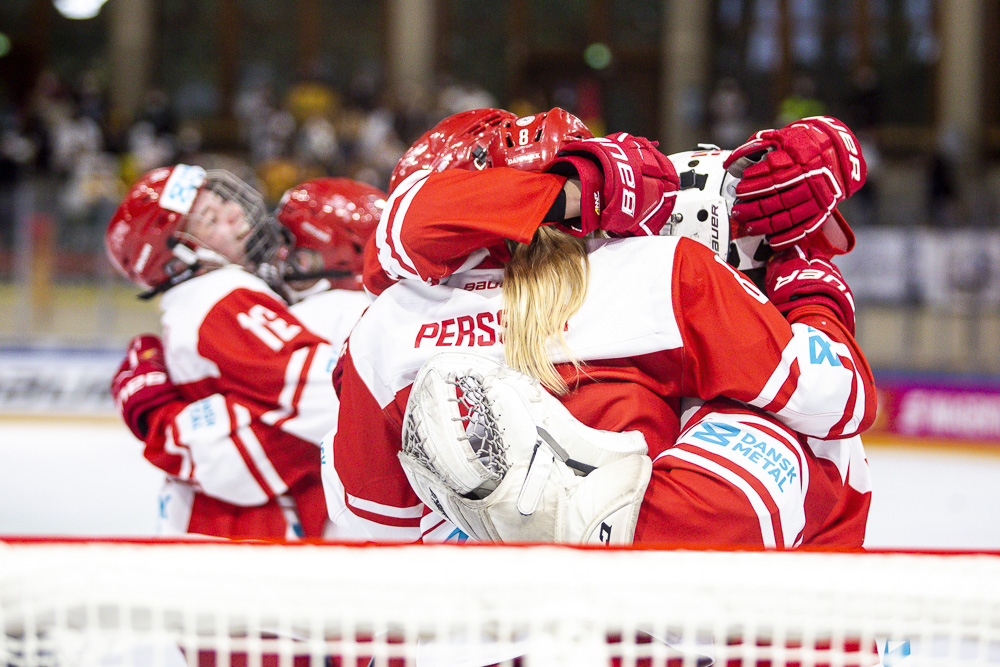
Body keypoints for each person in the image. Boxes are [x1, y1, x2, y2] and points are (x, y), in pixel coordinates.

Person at [328, 109, 876, 546]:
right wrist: (804, 280)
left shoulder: (386, 325)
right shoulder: (662, 271)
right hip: (633, 630)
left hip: (462, 632)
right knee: (814, 447)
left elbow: (374, 528)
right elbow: (841, 399)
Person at [106, 167, 381, 540]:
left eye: (222, 201)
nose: (234, 211)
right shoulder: (222, 295)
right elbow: (332, 396)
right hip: (234, 531)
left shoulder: (204, 301)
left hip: (216, 524)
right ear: (177, 260)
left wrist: (166, 422)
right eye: (210, 218)